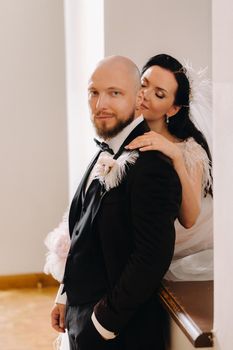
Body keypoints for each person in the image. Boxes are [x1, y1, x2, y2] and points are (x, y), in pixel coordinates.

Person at [49, 55, 182, 350]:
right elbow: (81, 232)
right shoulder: (104, 153)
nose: (100, 104)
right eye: (93, 92)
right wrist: (65, 297)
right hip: (80, 319)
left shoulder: (153, 166)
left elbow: (151, 258)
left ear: (138, 99)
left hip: (120, 334)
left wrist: (101, 325)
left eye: (114, 93)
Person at [125, 54, 213, 281]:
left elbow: (190, 218)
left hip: (172, 243)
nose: (145, 94)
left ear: (172, 109)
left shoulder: (189, 148)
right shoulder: (124, 130)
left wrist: (175, 156)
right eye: (143, 84)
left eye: (159, 94)